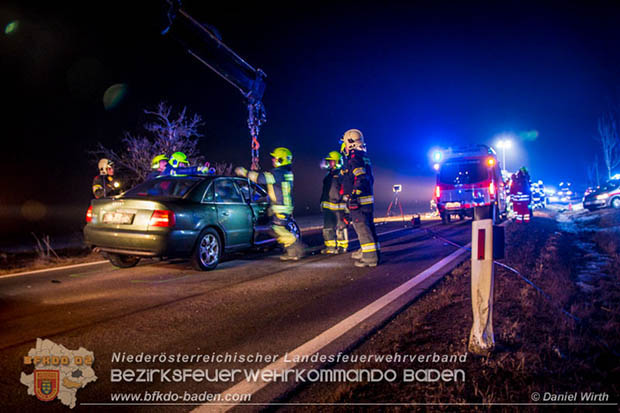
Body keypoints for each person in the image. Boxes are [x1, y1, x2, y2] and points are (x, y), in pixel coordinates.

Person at [235, 147, 304, 261]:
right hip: (285, 206)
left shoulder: (277, 173)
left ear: (281, 160)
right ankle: (293, 251)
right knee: (278, 228)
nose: (273, 160)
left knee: (278, 229)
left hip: (280, 207)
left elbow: (259, 178)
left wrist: (244, 172)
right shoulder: (286, 173)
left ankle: (294, 248)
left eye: (275, 158)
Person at [339, 129, 379, 267]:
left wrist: (354, 195)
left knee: (362, 228)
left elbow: (360, 178)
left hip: (359, 201)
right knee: (369, 227)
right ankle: (374, 251)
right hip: (367, 200)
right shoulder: (363, 156)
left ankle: (370, 257)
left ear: (349, 142)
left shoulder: (354, 157)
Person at [320, 151, 348, 254]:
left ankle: (342, 246)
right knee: (328, 227)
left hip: (339, 207)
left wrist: (346, 205)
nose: (328, 163)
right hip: (328, 207)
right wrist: (322, 202)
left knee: (341, 227)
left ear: (337, 162)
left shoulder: (341, 175)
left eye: (331, 161)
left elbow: (345, 190)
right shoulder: (329, 175)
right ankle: (330, 247)